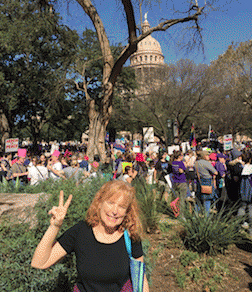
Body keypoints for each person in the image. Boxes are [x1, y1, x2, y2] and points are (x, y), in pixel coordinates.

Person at [31, 180, 149, 292]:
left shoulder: (130, 235)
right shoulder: (80, 232)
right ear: (99, 202)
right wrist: (55, 226)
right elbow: (39, 263)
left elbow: (140, 279)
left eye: (122, 206)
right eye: (110, 202)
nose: (115, 211)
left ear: (127, 211)